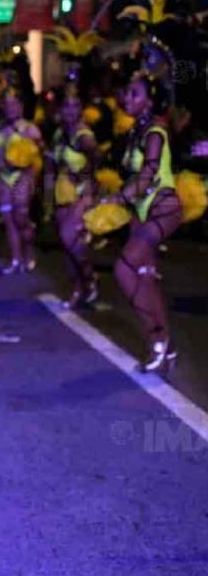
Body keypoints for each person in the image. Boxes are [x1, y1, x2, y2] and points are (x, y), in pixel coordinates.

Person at [104, 69, 182, 372]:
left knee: (124, 268)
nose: (128, 97)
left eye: (136, 93)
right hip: (143, 213)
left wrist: (120, 197)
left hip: (164, 211)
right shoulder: (137, 131)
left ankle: (158, 337)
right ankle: (165, 345)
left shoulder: (154, 133)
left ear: (149, 102)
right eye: (128, 92)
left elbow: (148, 174)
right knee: (144, 277)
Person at [47, 92, 99, 308]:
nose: (70, 110)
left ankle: (89, 278)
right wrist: (47, 199)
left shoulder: (84, 136)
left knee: (70, 239)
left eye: (74, 105)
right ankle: (78, 289)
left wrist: (83, 175)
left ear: (81, 109)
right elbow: (51, 166)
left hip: (80, 194)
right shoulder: (59, 134)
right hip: (61, 194)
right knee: (68, 247)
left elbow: (97, 162)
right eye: (66, 106)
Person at [0, 90, 43, 273]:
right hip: (3, 179)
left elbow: (39, 155)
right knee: (8, 220)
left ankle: (30, 252)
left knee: (21, 219)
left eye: (14, 104)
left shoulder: (30, 129)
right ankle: (16, 259)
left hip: (22, 178)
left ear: (21, 107)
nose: (11, 108)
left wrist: (31, 178)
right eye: (7, 104)